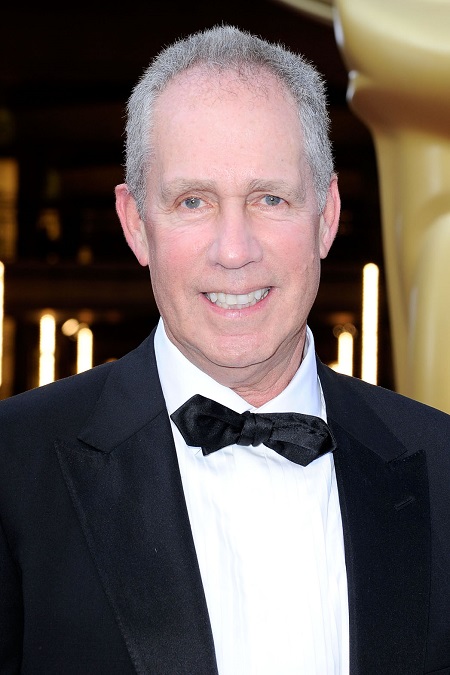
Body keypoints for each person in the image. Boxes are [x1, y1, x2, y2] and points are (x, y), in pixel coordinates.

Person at [0, 24, 449, 675]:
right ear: (136, 224)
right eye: (193, 201)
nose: (234, 250)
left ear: (326, 215)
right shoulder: (13, 469)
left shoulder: (441, 465)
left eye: (270, 198)